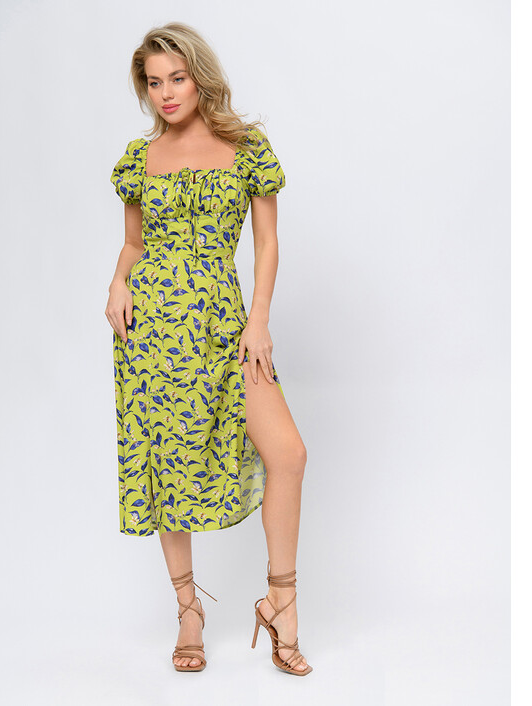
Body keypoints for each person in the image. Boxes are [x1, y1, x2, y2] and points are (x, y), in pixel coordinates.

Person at [104, 22, 312, 676]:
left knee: (288, 454)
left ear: (200, 77)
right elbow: (134, 243)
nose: (166, 93)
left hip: (226, 325)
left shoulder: (246, 147)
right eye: (153, 82)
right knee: (169, 471)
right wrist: (117, 282)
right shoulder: (140, 159)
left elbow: (267, 242)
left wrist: (258, 320)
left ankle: (281, 603)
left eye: (177, 78)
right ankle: (188, 611)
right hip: (153, 332)